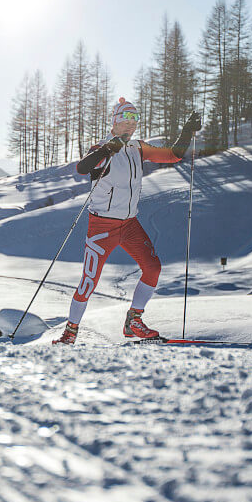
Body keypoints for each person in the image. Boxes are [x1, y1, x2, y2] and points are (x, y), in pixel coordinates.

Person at [54, 98, 202, 345]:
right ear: (115, 121)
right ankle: (70, 333)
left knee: (153, 268)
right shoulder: (101, 148)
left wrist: (187, 131)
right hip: (101, 227)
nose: (130, 125)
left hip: (130, 224)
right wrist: (106, 150)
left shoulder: (138, 148)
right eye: (126, 120)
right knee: (88, 281)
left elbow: (174, 155)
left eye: (134, 121)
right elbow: (82, 168)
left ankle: (133, 320)